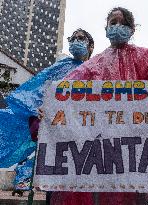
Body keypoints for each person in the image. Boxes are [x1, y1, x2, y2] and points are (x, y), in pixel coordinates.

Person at [65, 7, 148, 205]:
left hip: (137, 149)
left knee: (134, 195)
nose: (118, 27)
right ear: (106, 27)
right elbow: (68, 91)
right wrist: (49, 108)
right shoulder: (94, 65)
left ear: (132, 29)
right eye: (113, 22)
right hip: (104, 149)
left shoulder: (146, 58)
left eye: (123, 23)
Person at [0, 28, 94, 168]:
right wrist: (37, 110)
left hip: (80, 129)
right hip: (52, 128)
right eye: (72, 39)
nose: (75, 42)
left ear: (90, 46)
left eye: (80, 38)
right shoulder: (60, 66)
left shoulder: (95, 70)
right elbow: (40, 91)